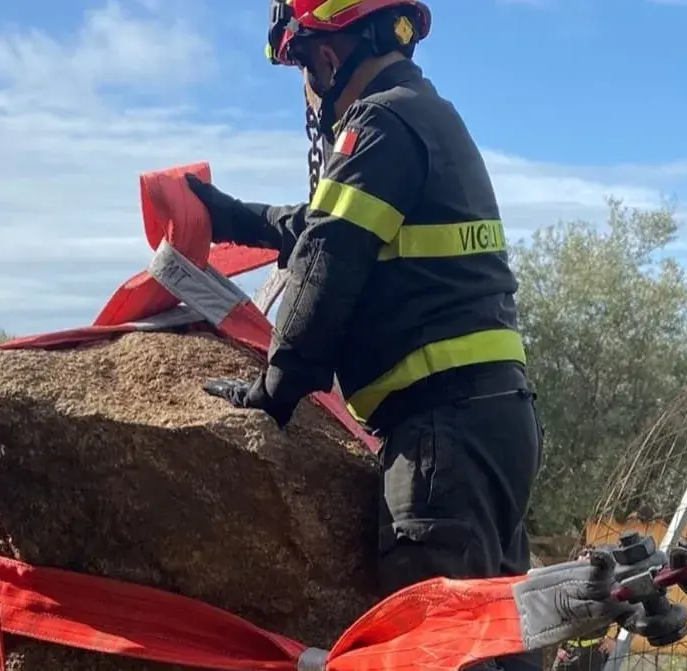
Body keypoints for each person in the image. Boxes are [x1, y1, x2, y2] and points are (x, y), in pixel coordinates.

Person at [192, 2, 543, 670]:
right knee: (494, 639)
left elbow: (331, 253)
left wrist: (276, 387)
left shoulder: (378, 123)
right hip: (490, 424)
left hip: (439, 435)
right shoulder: (423, 115)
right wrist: (231, 217)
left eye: (300, 66)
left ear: (326, 59)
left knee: (432, 649)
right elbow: (330, 222)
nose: (305, 88)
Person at [551, 626, 615, 671]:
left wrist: (612, 636)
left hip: (604, 645)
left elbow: (623, 617)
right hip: (573, 651)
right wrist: (559, 648)